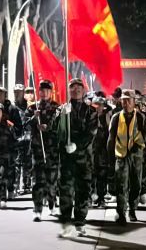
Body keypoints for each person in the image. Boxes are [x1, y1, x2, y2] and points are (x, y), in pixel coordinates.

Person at [58, 76, 98, 237]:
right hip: (66, 159)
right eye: (72, 87)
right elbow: (56, 131)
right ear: (69, 90)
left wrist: (76, 145)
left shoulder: (91, 111)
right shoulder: (62, 109)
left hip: (84, 158)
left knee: (83, 190)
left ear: (83, 90)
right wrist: (61, 117)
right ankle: (66, 222)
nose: (76, 90)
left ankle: (80, 221)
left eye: (78, 87)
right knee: (66, 191)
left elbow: (91, 133)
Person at [108, 89, 146, 223]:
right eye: (124, 101)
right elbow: (111, 139)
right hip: (121, 156)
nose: (126, 103)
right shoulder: (116, 117)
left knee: (136, 184)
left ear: (134, 102)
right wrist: (110, 158)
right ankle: (121, 213)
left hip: (136, 156)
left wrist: (145, 151)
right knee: (121, 185)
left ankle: (132, 209)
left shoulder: (140, 117)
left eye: (129, 101)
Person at [24, 80, 60, 222]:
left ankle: (52, 203)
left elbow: (61, 127)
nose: (44, 93)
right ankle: (37, 209)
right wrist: (35, 118)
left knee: (51, 181)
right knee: (38, 181)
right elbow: (24, 125)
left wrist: (48, 127)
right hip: (38, 150)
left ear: (51, 92)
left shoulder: (57, 108)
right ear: (38, 92)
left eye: (47, 90)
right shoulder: (33, 108)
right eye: (42, 90)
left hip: (52, 150)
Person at [0, 86, 23, 199]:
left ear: (5, 95)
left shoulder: (12, 109)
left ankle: (10, 189)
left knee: (10, 169)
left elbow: (19, 127)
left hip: (9, 145)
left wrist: (12, 126)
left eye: (1, 94)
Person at [90, 96, 111, 208]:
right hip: (91, 150)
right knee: (91, 175)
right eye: (96, 105)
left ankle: (101, 198)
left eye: (100, 105)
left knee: (102, 175)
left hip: (103, 151)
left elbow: (110, 133)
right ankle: (91, 196)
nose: (98, 107)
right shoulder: (89, 116)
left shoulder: (107, 117)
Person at [12, 84, 32, 195]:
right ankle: (15, 186)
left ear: (23, 93)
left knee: (27, 162)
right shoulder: (11, 106)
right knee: (16, 162)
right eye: (15, 92)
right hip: (16, 138)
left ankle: (27, 185)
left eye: (19, 92)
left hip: (28, 137)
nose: (17, 94)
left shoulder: (29, 106)